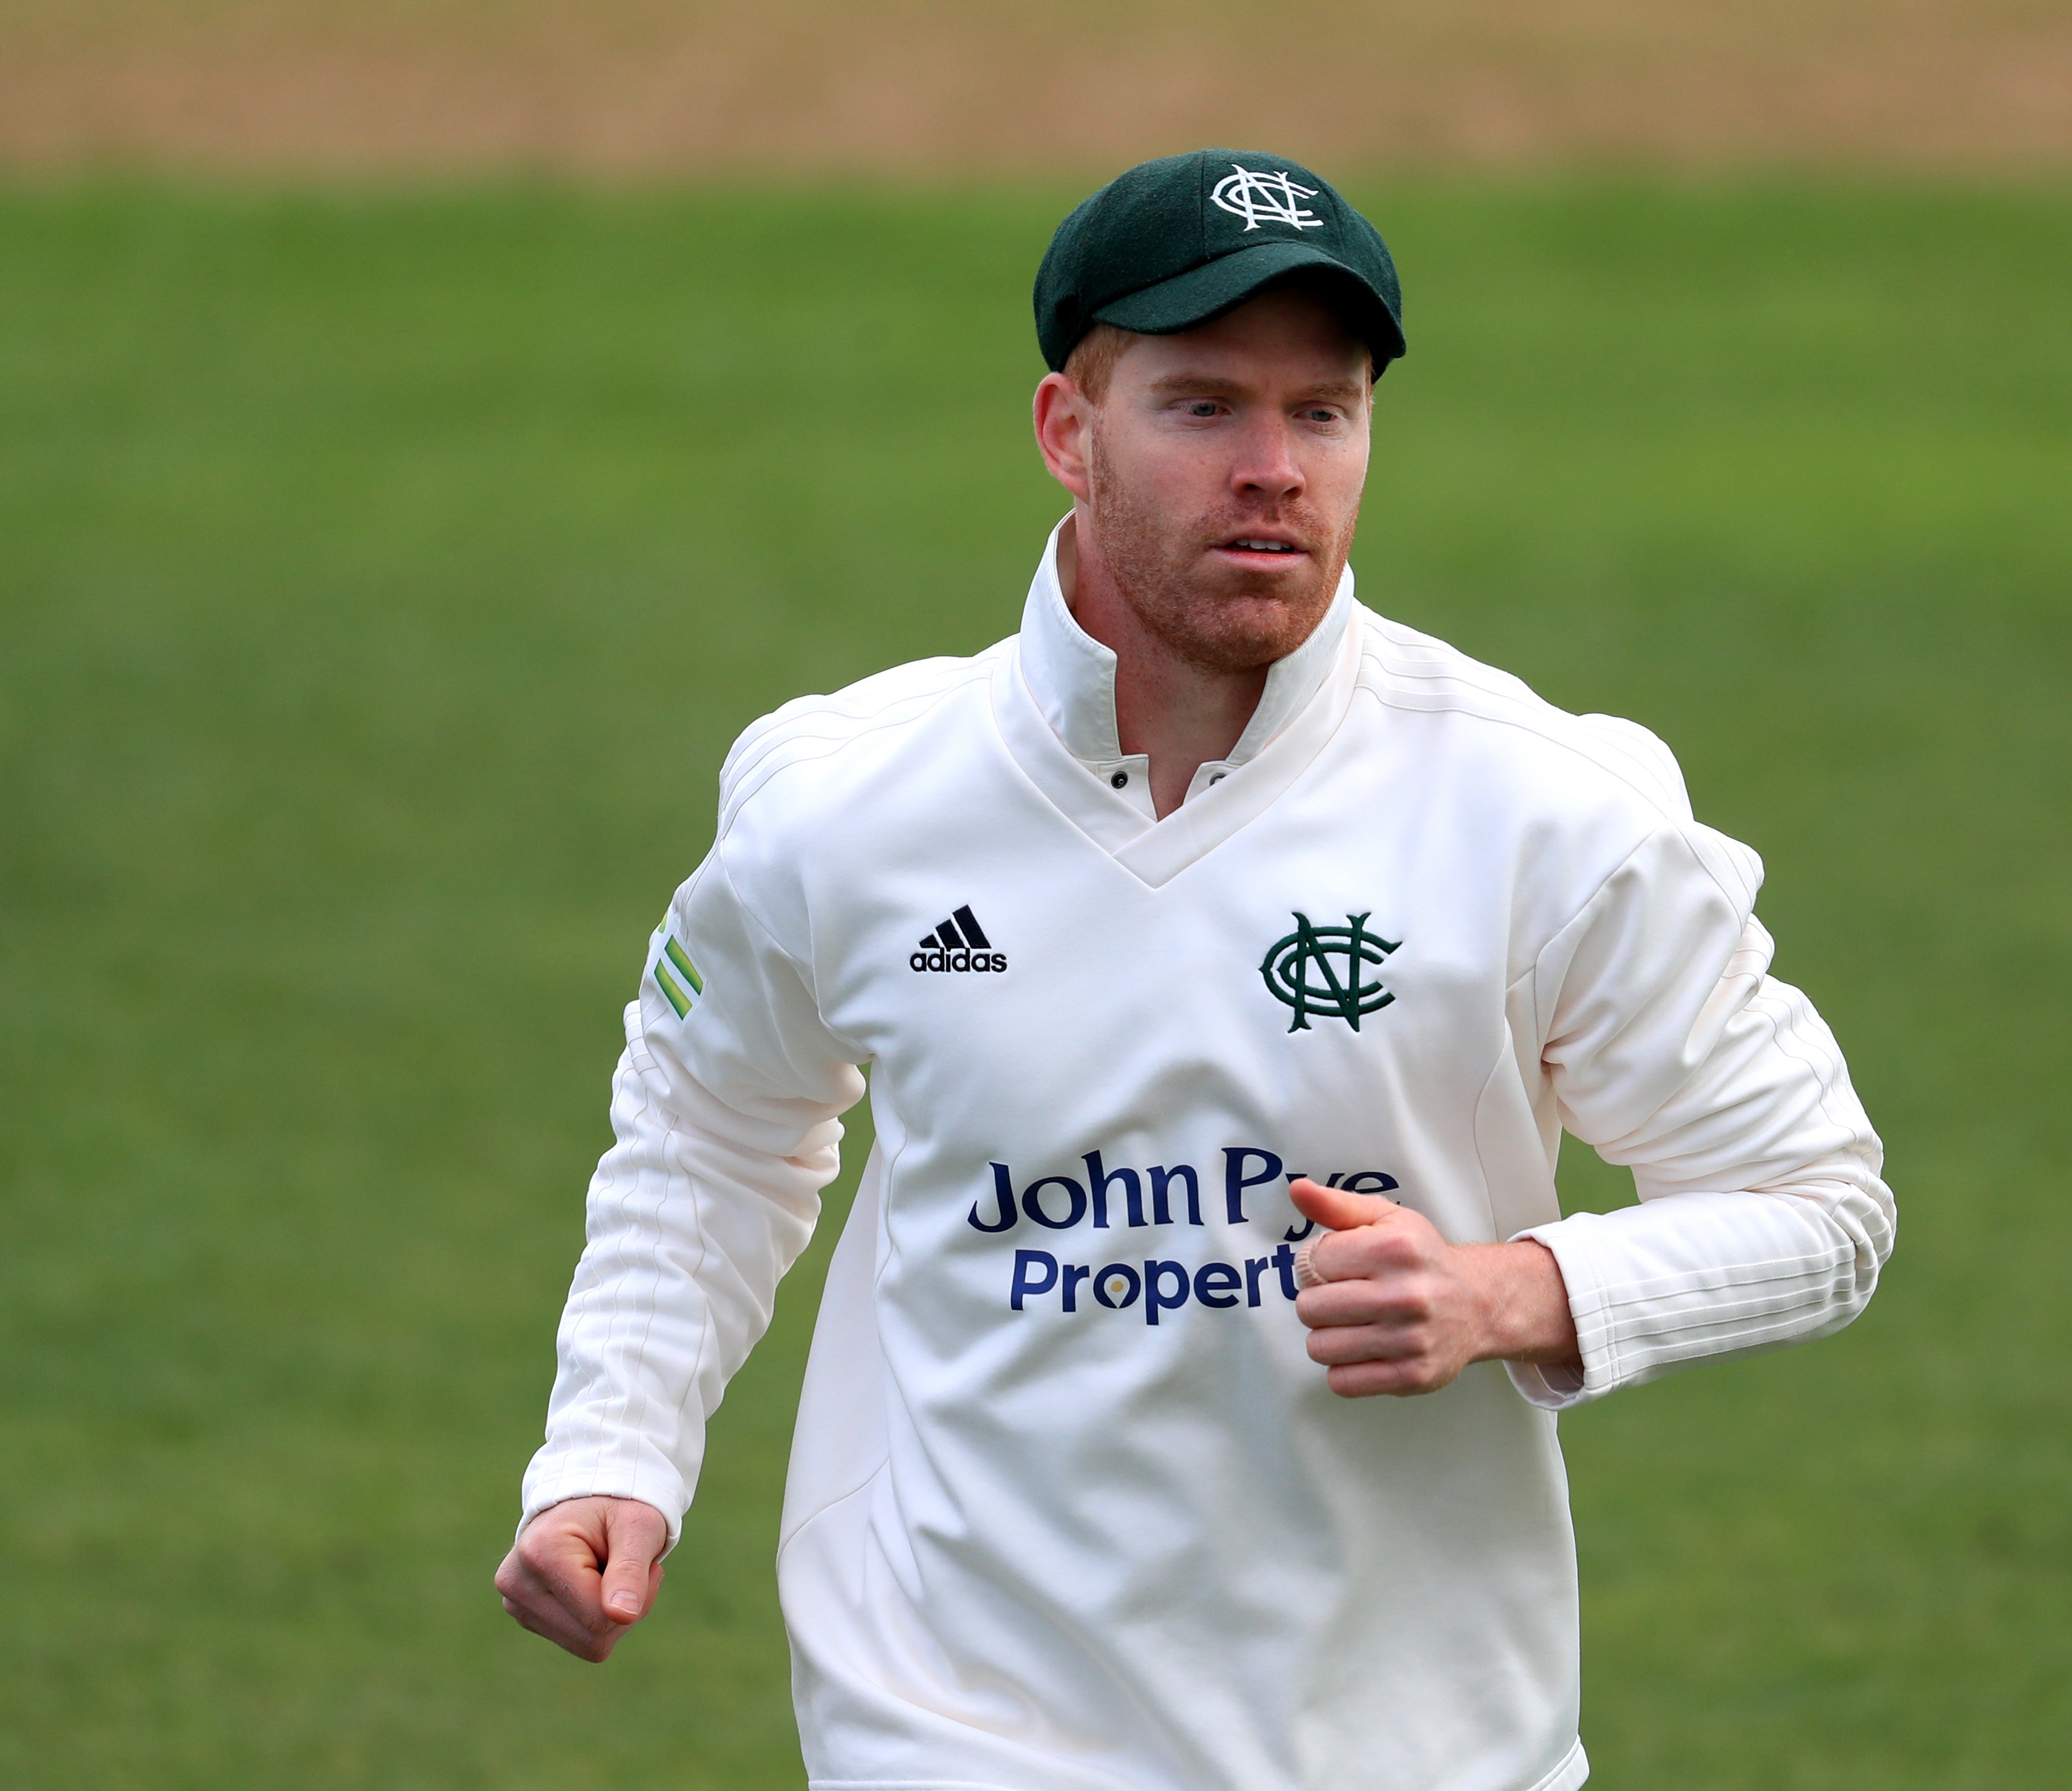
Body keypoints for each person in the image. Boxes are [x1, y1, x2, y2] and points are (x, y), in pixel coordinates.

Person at [497, 148, 1895, 1791]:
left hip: (1420, 1753)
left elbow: (1824, 1208)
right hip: (952, 1734)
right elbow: (710, 1125)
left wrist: (1510, 1289)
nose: (1275, 470)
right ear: (1066, 434)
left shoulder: (1547, 809)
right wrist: (614, 1444)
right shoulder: (845, 800)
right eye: (1203, 406)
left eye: (1325, 411)